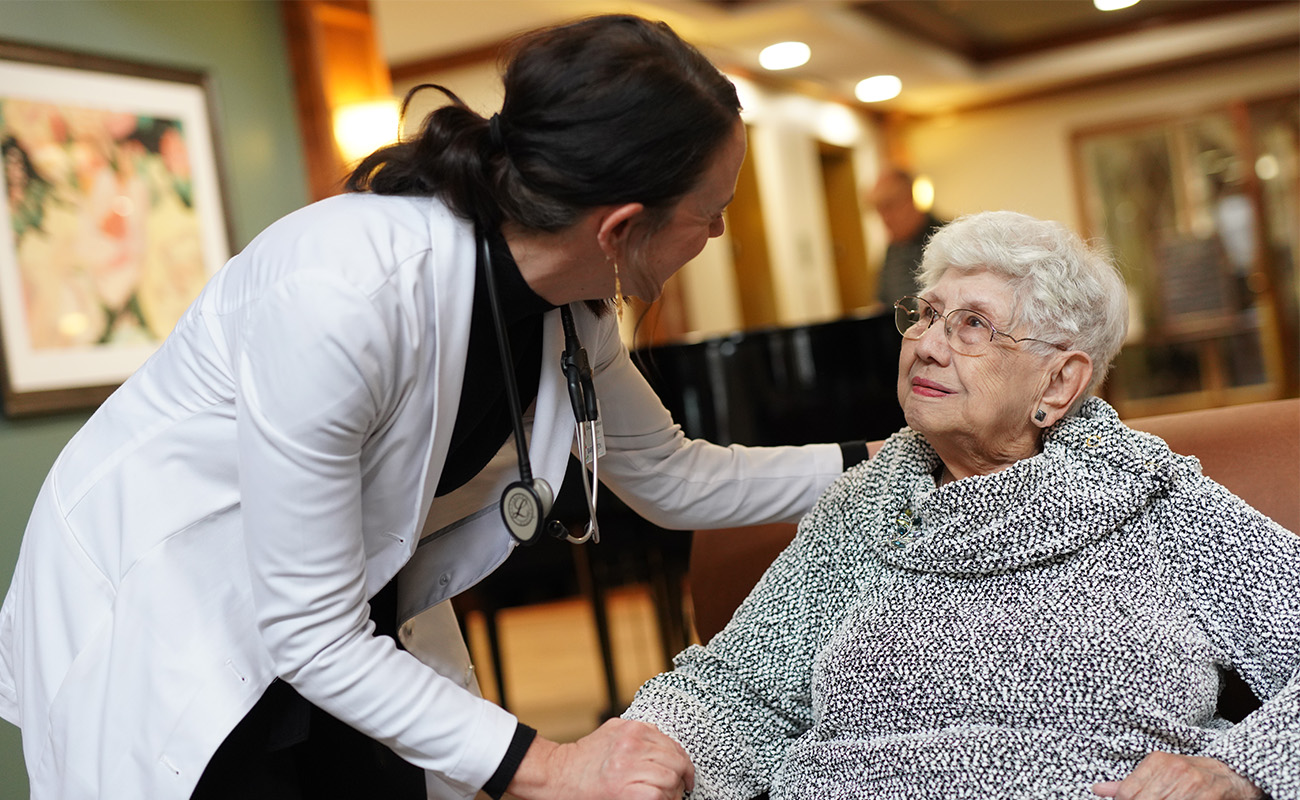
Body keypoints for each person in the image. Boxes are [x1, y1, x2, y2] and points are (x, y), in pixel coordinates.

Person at [0, 16, 869, 800]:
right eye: (709, 215)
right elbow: (307, 629)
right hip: (179, 605)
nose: (715, 234)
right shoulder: (345, 294)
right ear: (622, 225)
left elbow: (675, 477)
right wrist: (555, 765)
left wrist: (887, 459)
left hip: (341, 612)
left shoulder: (568, 308)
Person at [624, 210, 1300, 800]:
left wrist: (1239, 767)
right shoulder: (864, 508)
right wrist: (642, 750)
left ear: (1060, 381)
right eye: (926, 314)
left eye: (972, 324)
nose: (927, 344)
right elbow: (736, 689)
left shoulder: (1155, 503)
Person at [869, 166, 944, 307]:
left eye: (889, 206)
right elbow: (882, 303)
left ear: (910, 199)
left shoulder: (947, 238)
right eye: (878, 210)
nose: (885, 219)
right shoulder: (893, 249)